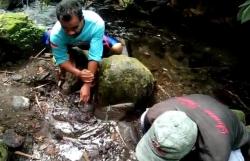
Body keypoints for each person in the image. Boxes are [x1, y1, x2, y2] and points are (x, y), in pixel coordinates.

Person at [43, 0, 124, 105]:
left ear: (82, 19)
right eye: (65, 28)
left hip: (88, 40)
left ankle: (103, 61)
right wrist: (79, 73)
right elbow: (61, 59)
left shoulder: (96, 22)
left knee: (117, 48)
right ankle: (71, 53)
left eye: (74, 27)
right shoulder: (56, 34)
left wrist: (87, 84)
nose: (70, 32)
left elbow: (94, 55)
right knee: (46, 37)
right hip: (69, 43)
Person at [136, 94, 250, 161]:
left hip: (226, 129)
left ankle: (239, 118)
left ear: (192, 148)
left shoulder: (216, 154)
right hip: (205, 104)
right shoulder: (152, 114)